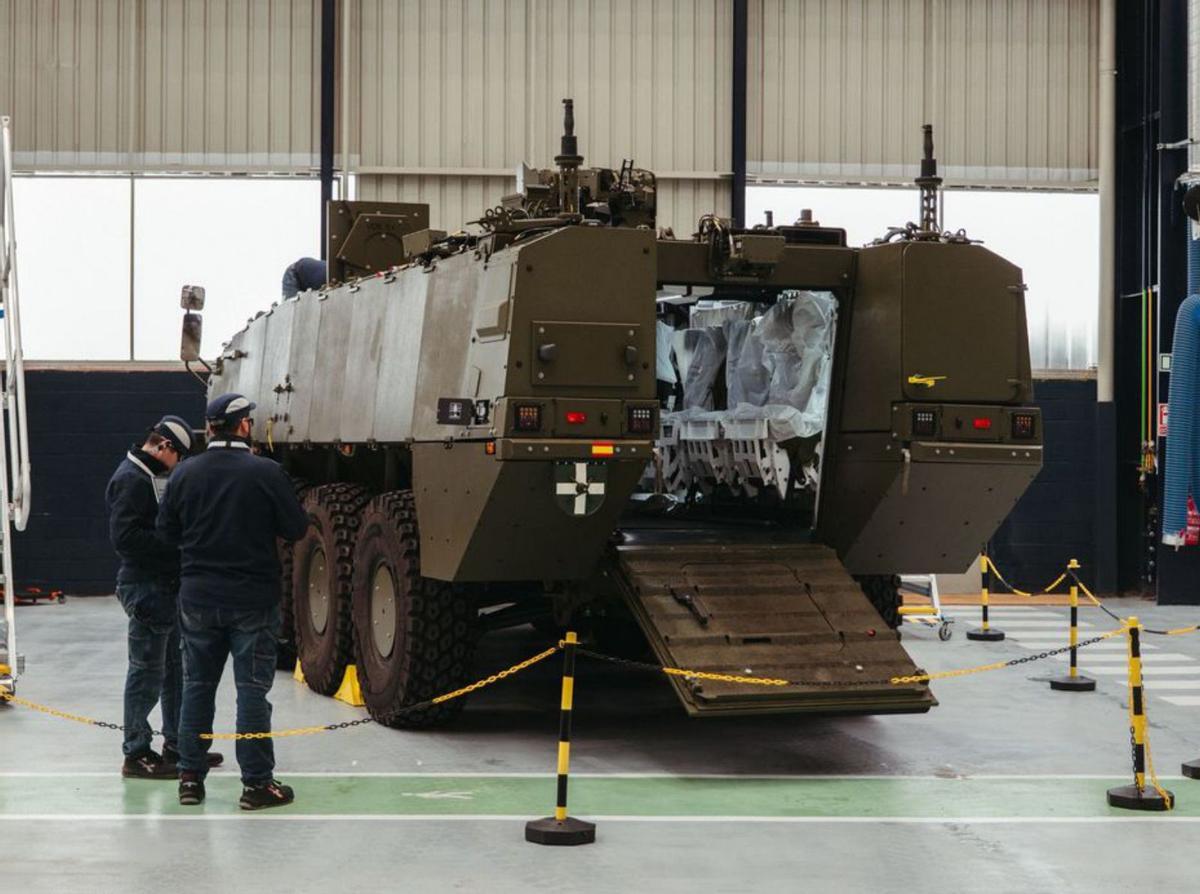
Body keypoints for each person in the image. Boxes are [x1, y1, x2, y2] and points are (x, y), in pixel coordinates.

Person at [157, 393, 309, 810]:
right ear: (243, 425)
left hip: (198, 599)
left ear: (210, 428)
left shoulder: (185, 473)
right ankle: (256, 784)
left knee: (196, 689)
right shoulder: (266, 472)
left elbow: (165, 533)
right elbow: (296, 528)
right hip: (252, 600)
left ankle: (190, 779)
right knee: (251, 694)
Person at [106, 415, 224, 778]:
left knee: (174, 671)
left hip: (163, 588)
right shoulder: (131, 479)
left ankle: (176, 744)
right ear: (165, 448)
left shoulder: (149, 475)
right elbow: (126, 539)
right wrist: (178, 546)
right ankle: (137, 752)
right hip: (146, 588)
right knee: (147, 672)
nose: (179, 467)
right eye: (180, 458)